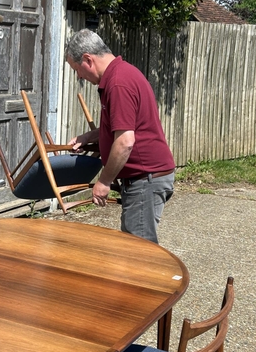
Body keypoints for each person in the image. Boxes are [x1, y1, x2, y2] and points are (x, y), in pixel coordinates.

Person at [65, 28, 175, 244]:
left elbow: (125, 142)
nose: (79, 76)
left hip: (145, 178)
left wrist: (104, 181)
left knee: (139, 252)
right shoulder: (121, 74)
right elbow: (124, 127)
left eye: (76, 69)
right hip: (146, 178)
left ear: (88, 59)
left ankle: (150, 280)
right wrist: (91, 136)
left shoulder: (118, 83)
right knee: (133, 247)